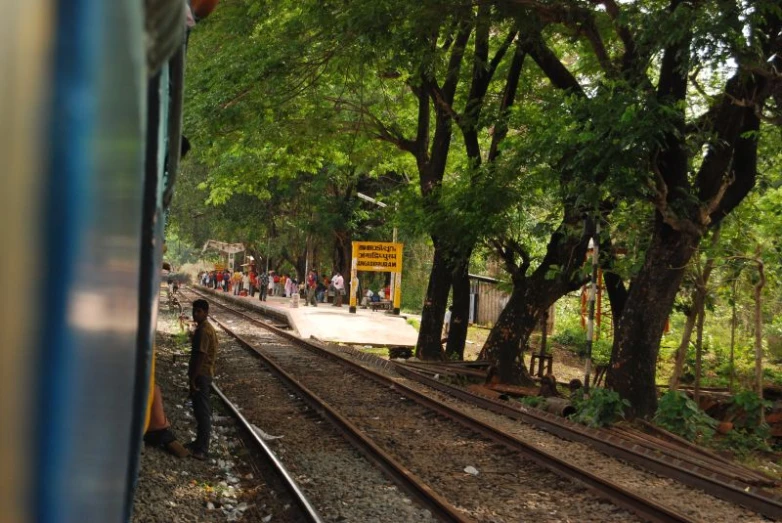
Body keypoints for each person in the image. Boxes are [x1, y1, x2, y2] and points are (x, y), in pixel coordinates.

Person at [187, 299, 219, 460]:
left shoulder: (204, 331)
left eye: (199, 311)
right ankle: (198, 443)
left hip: (202, 375)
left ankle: (202, 449)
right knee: (200, 412)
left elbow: (200, 356)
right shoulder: (204, 328)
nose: (195, 314)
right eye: (194, 311)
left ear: (206, 313)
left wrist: (193, 379)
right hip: (204, 374)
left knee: (203, 412)